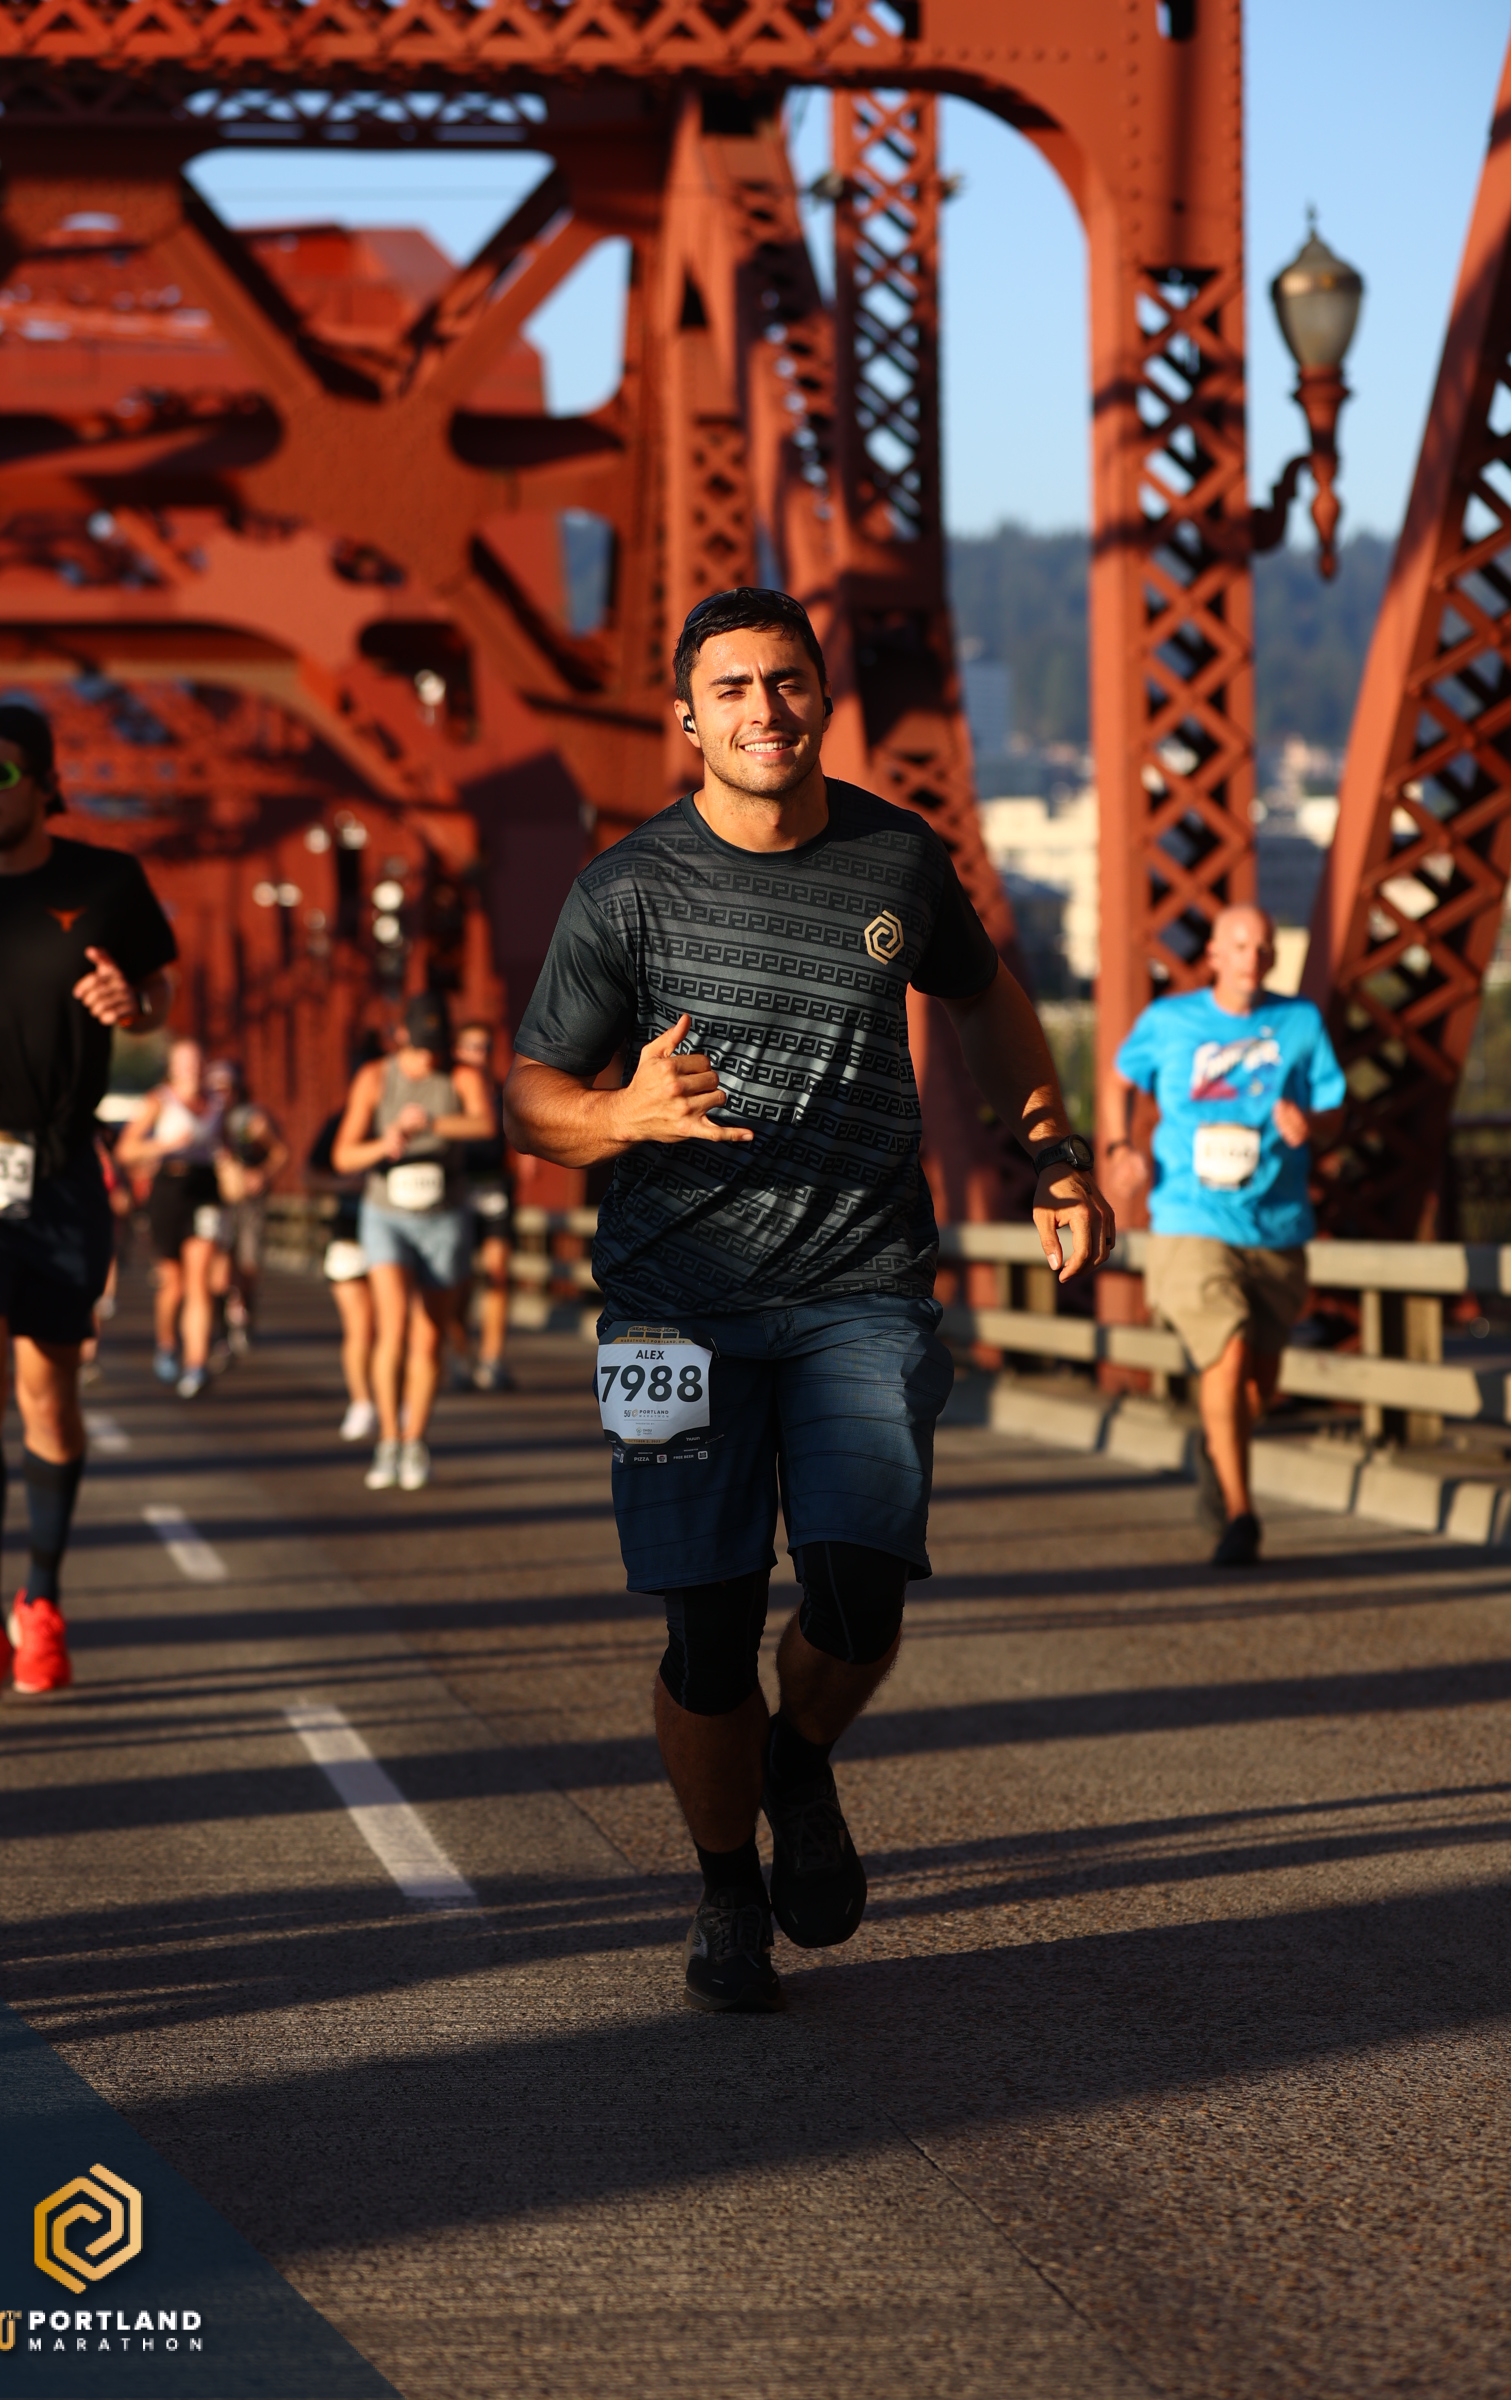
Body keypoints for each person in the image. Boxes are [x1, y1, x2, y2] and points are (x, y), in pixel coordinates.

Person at [505, 586, 1113, 2013]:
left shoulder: (894, 857)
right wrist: (623, 1113)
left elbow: (987, 996)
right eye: (731, 689)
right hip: (665, 1312)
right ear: (686, 718)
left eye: (786, 681)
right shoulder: (624, 891)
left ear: (823, 699)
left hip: (861, 1284)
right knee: (708, 1634)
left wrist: (1054, 1154)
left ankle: (798, 1760)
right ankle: (726, 1889)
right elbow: (530, 1098)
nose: (763, 710)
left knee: (858, 1588)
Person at [0, 701, 175, 1701]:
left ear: (42, 784)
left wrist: (134, 1007)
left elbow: (156, 994)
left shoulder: (104, 882)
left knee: (49, 1395)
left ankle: (43, 1601)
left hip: (65, 1169)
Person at [1100, 903, 1346, 1568]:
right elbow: (1118, 1080)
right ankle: (1241, 1514)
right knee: (1228, 1351)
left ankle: (1219, 1445)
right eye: (1239, 945)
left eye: (1263, 946)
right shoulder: (1169, 1021)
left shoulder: (1300, 1022)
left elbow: (1334, 1109)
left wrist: (1310, 1125)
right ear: (1213, 954)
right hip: (1191, 1219)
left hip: (1277, 1223)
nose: (1252, 957)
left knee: (1258, 1385)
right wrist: (1118, 1146)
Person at [333, 994, 494, 1492]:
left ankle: (414, 1440)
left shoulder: (461, 1075)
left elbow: (486, 1124)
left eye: (436, 1047)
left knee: (428, 1337)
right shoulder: (375, 1077)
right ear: (400, 1036)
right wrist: (386, 1142)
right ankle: (388, 1438)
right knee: (393, 1326)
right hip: (387, 1214)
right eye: (420, 1047)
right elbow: (343, 1155)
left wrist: (432, 1122)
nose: (428, 1058)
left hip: (443, 1215)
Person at [117, 1038, 225, 1399]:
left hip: (205, 1188)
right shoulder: (159, 1101)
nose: (192, 1069)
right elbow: (126, 1150)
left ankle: (196, 1364)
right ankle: (166, 1343)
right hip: (168, 1188)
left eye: (198, 1061)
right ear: (173, 1067)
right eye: (185, 1062)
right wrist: (164, 1145)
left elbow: (226, 1144)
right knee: (173, 1283)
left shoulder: (217, 1103)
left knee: (199, 1279)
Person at [207, 1059, 289, 1355]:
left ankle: (245, 1312)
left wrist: (261, 1174)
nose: (221, 1094)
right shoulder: (203, 1116)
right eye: (215, 1088)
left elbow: (280, 1152)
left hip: (247, 1202)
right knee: (218, 1265)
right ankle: (221, 1328)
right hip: (216, 1200)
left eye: (226, 1088)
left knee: (248, 1263)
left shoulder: (250, 1119)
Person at [306, 1097, 376, 1442]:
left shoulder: (416, 1117)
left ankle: (397, 1402)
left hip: (401, 1238)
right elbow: (309, 1175)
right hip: (349, 1235)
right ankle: (362, 1403)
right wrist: (343, 1185)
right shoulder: (340, 1122)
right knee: (360, 1329)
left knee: (394, 1328)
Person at [451, 1018, 514, 1394]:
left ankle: (492, 1360)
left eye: (485, 1048)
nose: (479, 1055)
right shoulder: (448, 1092)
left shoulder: (502, 1091)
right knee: (458, 1283)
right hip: (457, 1189)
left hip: (494, 1187)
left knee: (497, 1273)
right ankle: (462, 1357)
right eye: (471, 1047)